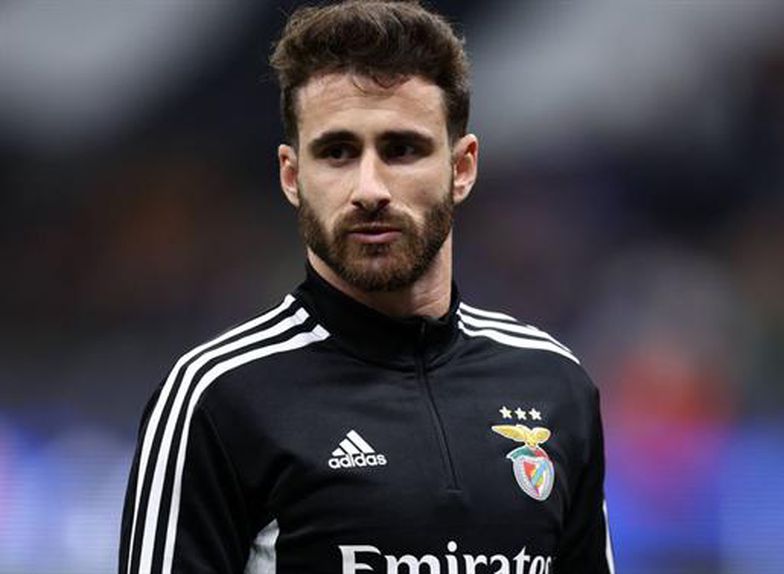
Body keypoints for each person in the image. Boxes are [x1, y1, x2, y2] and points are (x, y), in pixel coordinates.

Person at [118, 1, 614, 573]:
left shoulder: (554, 384)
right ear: (291, 176)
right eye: (337, 153)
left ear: (461, 168)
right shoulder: (217, 397)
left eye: (402, 150)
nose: (370, 189)